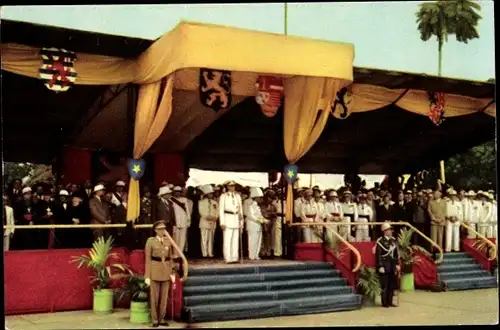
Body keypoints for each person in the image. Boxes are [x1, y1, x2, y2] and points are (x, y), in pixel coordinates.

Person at [144, 221, 179, 328]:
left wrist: (172, 272)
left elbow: (171, 258)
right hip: (154, 270)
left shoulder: (168, 241)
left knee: (164, 298)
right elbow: (148, 259)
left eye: (163, 229)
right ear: (155, 230)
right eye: (159, 229)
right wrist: (147, 275)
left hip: (166, 271)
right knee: (155, 297)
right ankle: (155, 320)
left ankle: (162, 318)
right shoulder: (150, 241)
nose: (162, 231)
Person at [375, 223, 400, 308]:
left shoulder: (393, 240)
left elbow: (396, 254)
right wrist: (380, 266)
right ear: (385, 231)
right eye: (389, 230)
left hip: (392, 266)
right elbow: (378, 255)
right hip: (385, 266)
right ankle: (384, 302)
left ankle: (390, 301)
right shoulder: (380, 242)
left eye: (390, 229)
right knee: (384, 285)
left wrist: (397, 264)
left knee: (391, 285)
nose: (390, 231)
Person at [218, 180, 243, 264]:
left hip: (236, 219)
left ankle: (235, 257)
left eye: (233, 186)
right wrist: (222, 222)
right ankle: (228, 258)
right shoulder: (223, 196)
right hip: (227, 218)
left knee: (235, 240)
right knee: (227, 239)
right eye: (231, 186)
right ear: (227, 187)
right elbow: (221, 210)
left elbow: (241, 210)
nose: (233, 187)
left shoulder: (237, 196)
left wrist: (241, 221)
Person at [246, 187, 269, 260]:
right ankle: (252, 255)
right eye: (259, 197)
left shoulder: (256, 206)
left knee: (258, 241)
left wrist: (264, 219)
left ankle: (256, 255)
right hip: (252, 225)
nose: (260, 199)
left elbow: (259, 215)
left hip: (258, 225)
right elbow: (251, 216)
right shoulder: (250, 204)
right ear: (255, 197)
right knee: (253, 241)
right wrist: (261, 220)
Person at [198, 185, 218, 258]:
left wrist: (215, 217)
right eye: (210, 193)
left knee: (211, 239)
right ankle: (204, 253)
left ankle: (210, 252)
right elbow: (201, 212)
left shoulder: (214, 202)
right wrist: (208, 217)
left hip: (213, 222)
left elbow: (217, 211)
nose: (211, 195)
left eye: (212, 193)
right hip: (204, 222)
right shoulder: (201, 202)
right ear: (206, 194)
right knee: (204, 238)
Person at [170, 186, 192, 257]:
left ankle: (180, 254)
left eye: (179, 192)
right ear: (174, 192)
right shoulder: (171, 200)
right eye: (176, 192)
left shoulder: (184, 199)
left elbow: (187, 211)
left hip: (183, 221)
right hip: (176, 222)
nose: (178, 193)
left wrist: (188, 220)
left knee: (182, 239)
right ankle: (175, 254)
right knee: (175, 239)